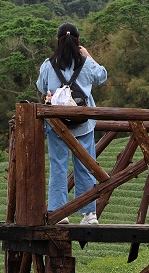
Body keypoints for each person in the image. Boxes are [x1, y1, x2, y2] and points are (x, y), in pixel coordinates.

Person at [36, 22, 108, 225]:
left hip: (57, 124)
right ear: (77, 41)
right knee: (85, 167)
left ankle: (60, 212)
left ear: (58, 41)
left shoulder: (48, 64)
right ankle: (89, 214)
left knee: (58, 167)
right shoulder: (86, 63)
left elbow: (41, 86)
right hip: (83, 123)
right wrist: (88, 55)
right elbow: (102, 76)